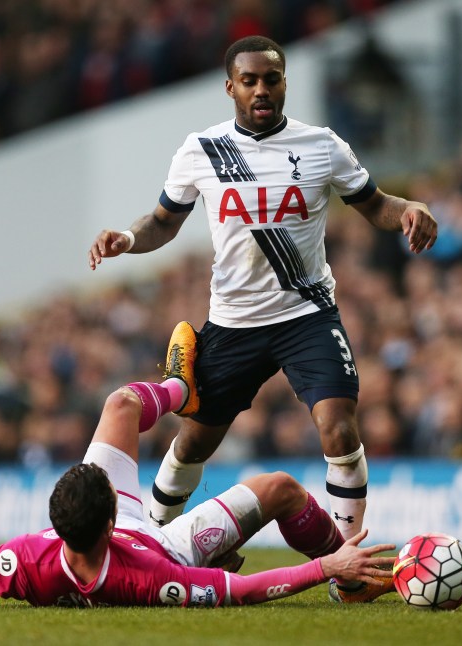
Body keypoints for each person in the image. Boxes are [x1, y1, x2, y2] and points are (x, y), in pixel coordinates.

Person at [87, 35, 436, 602]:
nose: (260, 90)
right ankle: (146, 540)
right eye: (248, 81)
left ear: (284, 82)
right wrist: (126, 238)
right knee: (193, 445)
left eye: (270, 79)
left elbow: (375, 204)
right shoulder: (202, 150)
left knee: (339, 425)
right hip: (232, 324)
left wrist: (409, 210)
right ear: (231, 87)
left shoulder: (321, 146)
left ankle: (349, 571)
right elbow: (163, 222)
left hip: (306, 314)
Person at [0, 330, 396, 608]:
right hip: (162, 542)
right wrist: (326, 568)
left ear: (53, 523)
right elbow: (246, 589)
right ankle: (351, 578)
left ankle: (181, 385)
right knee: (280, 489)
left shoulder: (25, 559)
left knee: (121, 404)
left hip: (113, 526)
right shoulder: (153, 578)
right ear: (105, 521)